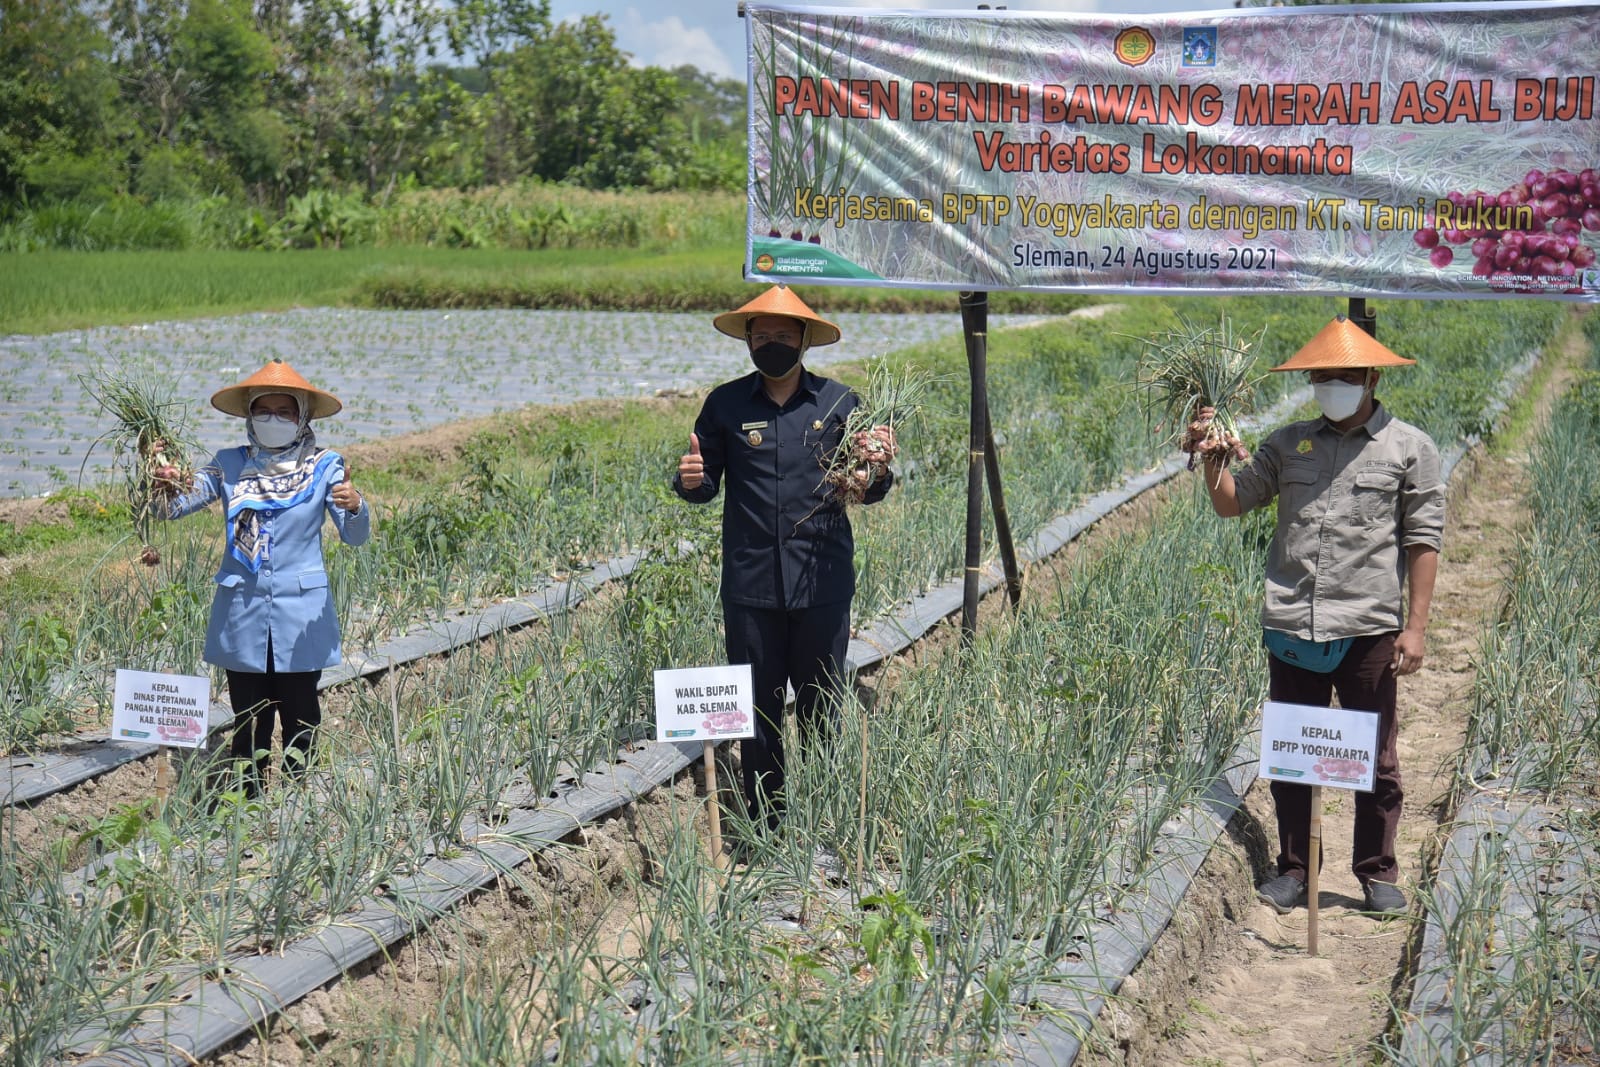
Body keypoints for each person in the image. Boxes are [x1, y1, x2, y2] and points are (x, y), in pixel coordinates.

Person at [1185, 315, 1443, 916]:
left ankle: (1375, 873)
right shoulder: (1287, 443)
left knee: (1374, 756)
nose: (1332, 385)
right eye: (1321, 376)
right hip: (1292, 624)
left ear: (1372, 378)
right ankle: (1295, 870)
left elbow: (1423, 539)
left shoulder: (1409, 448)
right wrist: (1213, 457)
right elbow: (1232, 503)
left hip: (1368, 626)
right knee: (1295, 754)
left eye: (1344, 376)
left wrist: (1417, 626)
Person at [673, 285, 897, 838]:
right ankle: (766, 831)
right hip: (751, 586)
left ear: (803, 340)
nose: (770, 343)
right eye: (761, 335)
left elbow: (868, 490)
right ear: (748, 340)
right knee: (758, 713)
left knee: (822, 705)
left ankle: (822, 827)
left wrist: (878, 469)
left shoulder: (840, 404)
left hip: (821, 580)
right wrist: (689, 481)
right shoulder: (725, 404)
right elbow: (702, 482)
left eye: (782, 335)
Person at [155, 359, 370, 796]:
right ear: (249, 415)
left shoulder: (325, 466)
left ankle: (296, 801)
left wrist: (355, 505)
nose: (273, 420)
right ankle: (249, 803)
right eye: (263, 411)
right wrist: (161, 478)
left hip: (300, 615)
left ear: (302, 416)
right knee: (248, 720)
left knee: (301, 716)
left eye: (284, 412)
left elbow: (354, 536)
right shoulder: (227, 465)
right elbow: (173, 508)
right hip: (243, 612)